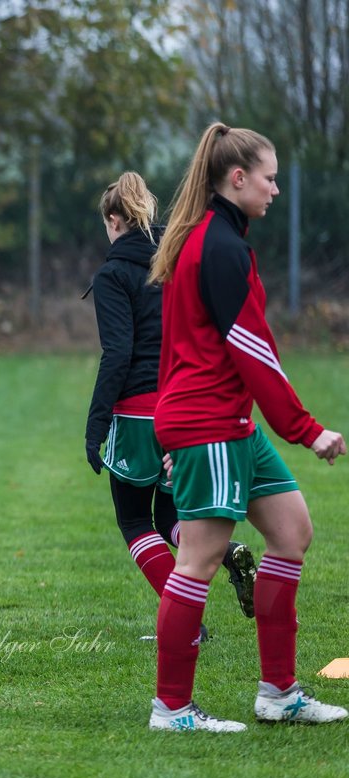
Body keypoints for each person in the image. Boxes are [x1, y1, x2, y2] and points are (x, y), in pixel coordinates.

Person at [145, 122, 347, 732]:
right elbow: (251, 348)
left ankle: (279, 695)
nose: (276, 190)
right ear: (238, 179)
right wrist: (306, 429)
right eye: (270, 177)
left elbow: (178, 351)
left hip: (227, 425)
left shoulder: (209, 238)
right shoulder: (219, 246)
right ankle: (172, 708)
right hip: (210, 424)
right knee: (199, 560)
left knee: (291, 531)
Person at [83, 172, 255, 641]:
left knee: (135, 521)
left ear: (114, 219)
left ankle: (189, 627)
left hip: (138, 412)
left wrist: (95, 427)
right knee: (173, 519)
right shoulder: (177, 261)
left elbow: (117, 354)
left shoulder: (114, 274)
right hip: (183, 407)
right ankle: (227, 551)